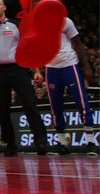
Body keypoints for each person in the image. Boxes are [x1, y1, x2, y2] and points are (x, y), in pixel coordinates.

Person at [0, 0, 48, 156]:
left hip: (18, 68)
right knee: (2, 109)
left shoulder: (16, 25)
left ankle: (41, 141)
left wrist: (36, 70)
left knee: (30, 104)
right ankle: (10, 145)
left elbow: (28, 47)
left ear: (4, 7)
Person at [41, 15, 97, 155]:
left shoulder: (65, 21)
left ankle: (90, 141)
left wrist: (86, 66)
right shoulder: (38, 23)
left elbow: (77, 43)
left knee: (82, 102)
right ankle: (62, 143)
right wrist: (37, 68)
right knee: (55, 106)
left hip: (69, 65)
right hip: (51, 68)